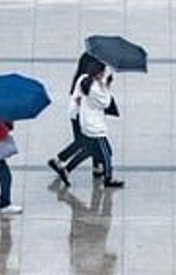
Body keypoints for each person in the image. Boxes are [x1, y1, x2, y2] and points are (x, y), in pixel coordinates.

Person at [47, 54, 111, 186]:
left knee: (86, 143)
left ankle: (95, 166)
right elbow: (102, 101)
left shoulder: (84, 79)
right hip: (80, 117)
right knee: (86, 144)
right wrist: (105, 87)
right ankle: (61, 161)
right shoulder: (86, 82)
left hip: (79, 116)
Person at [77, 68, 124, 189]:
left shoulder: (87, 82)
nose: (104, 74)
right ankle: (108, 178)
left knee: (101, 151)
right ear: (97, 73)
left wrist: (103, 85)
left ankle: (99, 169)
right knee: (106, 153)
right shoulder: (94, 89)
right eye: (102, 72)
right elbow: (106, 103)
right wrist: (107, 87)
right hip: (95, 127)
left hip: (89, 123)